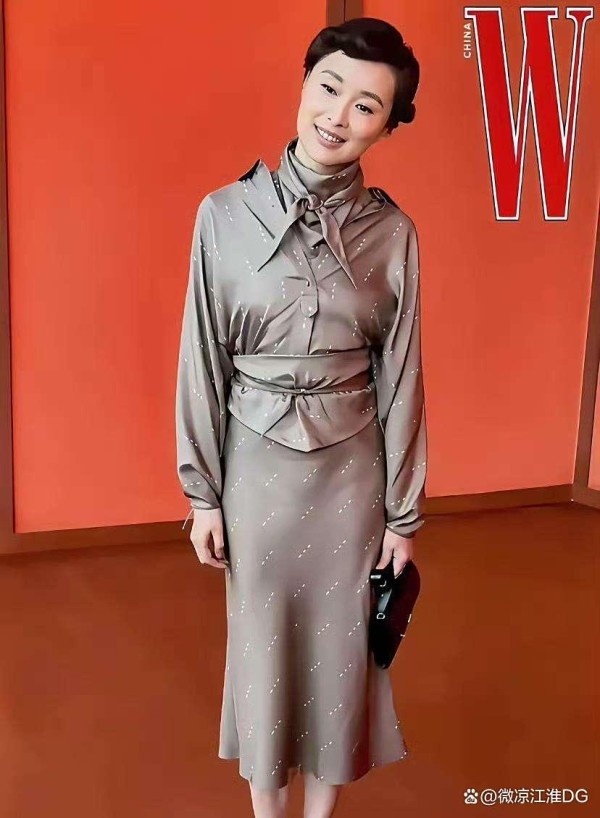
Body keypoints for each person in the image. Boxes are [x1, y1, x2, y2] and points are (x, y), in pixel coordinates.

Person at [175, 16, 426, 818]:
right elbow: (201, 360)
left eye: (366, 106)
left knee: (340, 657)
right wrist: (202, 494)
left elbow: (403, 375)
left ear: (388, 126)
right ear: (304, 83)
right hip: (254, 476)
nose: (337, 116)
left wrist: (403, 514)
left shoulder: (393, 233)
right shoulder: (222, 214)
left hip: (353, 478)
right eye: (329, 87)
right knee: (261, 655)